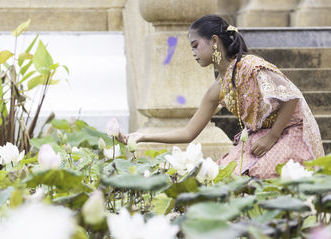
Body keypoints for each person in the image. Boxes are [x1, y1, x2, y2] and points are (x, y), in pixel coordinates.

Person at [119, 14, 324, 179]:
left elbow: (292, 96)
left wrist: (272, 136)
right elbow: (188, 133)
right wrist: (142, 136)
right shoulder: (216, 90)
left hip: (290, 131)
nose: (193, 52)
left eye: (195, 45)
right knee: (224, 176)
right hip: (260, 138)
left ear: (214, 41)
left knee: (258, 174)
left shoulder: (251, 66)